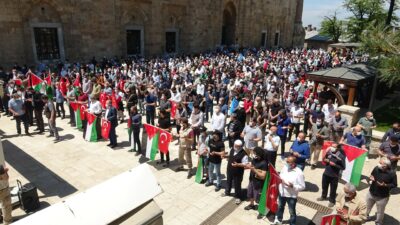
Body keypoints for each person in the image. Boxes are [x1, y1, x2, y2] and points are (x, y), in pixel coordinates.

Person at [272, 156, 305, 225]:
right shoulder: (285, 167)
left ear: (293, 163)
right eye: (286, 161)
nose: (286, 163)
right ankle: (279, 220)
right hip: (282, 193)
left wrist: (293, 186)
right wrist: (280, 179)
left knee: (291, 211)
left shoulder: (299, 173)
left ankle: (292, 223)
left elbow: (302, 187)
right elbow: (280, 176)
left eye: (288, 162)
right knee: (280, 207)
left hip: (291, 196)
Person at [366, 157, 397, 225]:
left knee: (380, 211)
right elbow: (371, 176)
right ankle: (366, 217)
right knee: (367, 207)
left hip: (382, 197)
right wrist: (370, 179)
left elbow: (394, 185)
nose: (378, 164)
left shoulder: (392, 173)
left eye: (380, 163)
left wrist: (385, 185)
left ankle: (378, 222)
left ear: (385, 166)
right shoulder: (376, 168)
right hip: (371, 193)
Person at [317, 142, 346, 207]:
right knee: (324, 186)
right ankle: (323, 196)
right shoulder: (329, 152)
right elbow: (324, 160)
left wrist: (335, 165)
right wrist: (325, 158)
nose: (332, 148)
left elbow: (343, 167)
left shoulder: (341, 156)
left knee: (333, 189)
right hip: (326, 173)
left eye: (334, 147)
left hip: (334, 176)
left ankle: (332, 201)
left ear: (338, 148)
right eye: (331, 146)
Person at [244, 146, 268, 219]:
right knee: (250, 193)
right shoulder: (254, 159)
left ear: (259, 154)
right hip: (252, 180)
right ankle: (251, 204)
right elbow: (251, 165)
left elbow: (263, 176)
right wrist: (247, 166)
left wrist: (254, 170)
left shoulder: (264, 163)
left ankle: (262, 211)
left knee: (259, 198)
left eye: (254, 153)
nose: (253, 154)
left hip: (258, 183)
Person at [223, 140, 248, 205]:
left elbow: (245, 164)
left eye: (237, 146)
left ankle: (238, 197)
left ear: (240, 146)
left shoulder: (244, 154)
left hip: (238, 173)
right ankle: (227, 192)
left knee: (237, 185)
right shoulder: (232, 149)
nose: (235, 147)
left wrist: (238, 165)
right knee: (228, 181)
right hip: (229, 170)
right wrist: (225, 156)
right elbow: (230, 156)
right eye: (235, 145)